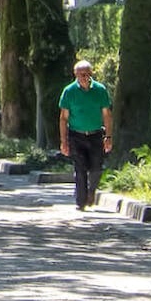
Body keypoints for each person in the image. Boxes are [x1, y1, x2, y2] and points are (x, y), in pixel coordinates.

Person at [59, 59, 114, 211]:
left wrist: (108, 137)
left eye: (87, 74)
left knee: (97, 168)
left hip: (96, 134)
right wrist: (64, 141)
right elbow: (63, 118)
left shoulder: (100, 90)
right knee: (80, 168)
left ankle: (91, 192)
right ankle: (81, 201)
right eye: (81, 74)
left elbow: (107, 115)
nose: (84, 77)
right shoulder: (69, 92)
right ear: (75, 75)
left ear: (91, 74)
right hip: (76, 135)